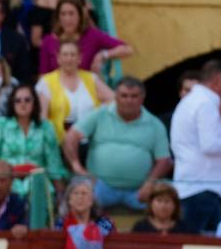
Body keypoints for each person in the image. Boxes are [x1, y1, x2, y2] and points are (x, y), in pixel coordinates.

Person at [62, 76, 171, 212]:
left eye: (134, 96)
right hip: (100, 186)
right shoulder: (100, 114)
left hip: (139, 189)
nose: (128, 100)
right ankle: (67, 232)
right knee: (77, 193)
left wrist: (150, 182)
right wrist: (76, 166)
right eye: (124, 96)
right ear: (116, 97)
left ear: (142, 98)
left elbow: (164, 161)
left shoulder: (155, 124)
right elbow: (71, 136)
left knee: (169, 193)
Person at [170, 58, 221, 234]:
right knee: (204, 247)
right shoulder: (205, 104)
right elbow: (209, 145)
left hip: (197, 187)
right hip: (203, 188)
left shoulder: (191, 101)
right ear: (217, 81)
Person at [0, 82, 65, 203]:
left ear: (34, 103)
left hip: (37, 179)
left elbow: (54, 162)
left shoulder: (46, 127)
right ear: (12, 103)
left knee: (39, 187)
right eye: (18, 100)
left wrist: (61, 196)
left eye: (27, 100)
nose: (23, 104)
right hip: (6, 179)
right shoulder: (0, 125)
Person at [35, 40, 111, 141]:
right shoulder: (46, 82)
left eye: (73, 55)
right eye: (65, 54)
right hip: (59, 141)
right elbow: (42, 117)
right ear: (58, 58)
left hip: (91, 139)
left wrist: (98, 116)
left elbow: (114, 101)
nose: (69, 58)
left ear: (79, 58)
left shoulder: (91, 79)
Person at [37, 0, 129, 76]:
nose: (67, 18)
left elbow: (127, 49)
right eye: (63, 14)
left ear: (80, 16)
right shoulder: (48, 41)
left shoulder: (92, 35)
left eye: (71, 13)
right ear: (58, 17)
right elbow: (43, 76)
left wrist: (103, 55)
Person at [55, 176, 112, 249]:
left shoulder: (105, 223)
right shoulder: (60, 223)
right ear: (69, 200)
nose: (80, 197)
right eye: (75, 193)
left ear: (92, 200)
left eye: (84, 193)